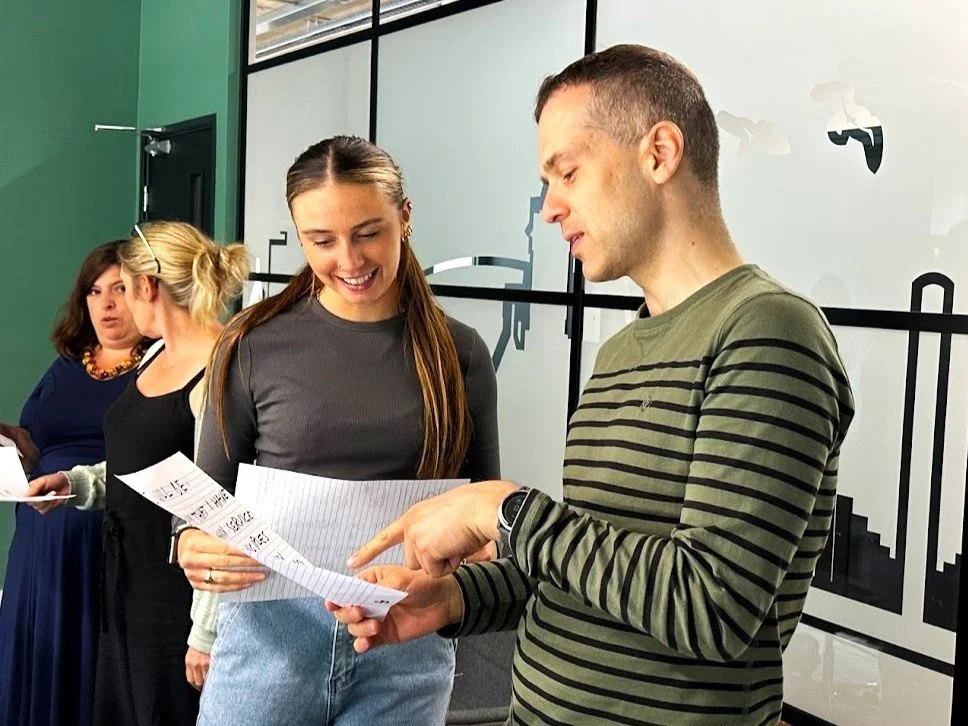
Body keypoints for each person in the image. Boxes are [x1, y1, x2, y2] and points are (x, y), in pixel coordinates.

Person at [331, 45, 856, 726]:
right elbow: (590, 568)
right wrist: (454, 600)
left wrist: (504, 511)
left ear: (660, 152)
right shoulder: (626, 348)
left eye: (568, 172)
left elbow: (712, 609)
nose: (550, 208)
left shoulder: (767, 331)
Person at [172, 135, 500, 725]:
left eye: (368, 232)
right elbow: (205, 499)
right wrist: (190, 542)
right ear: (300, 236)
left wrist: (480, 550)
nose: (348, 260)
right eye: (321, 241)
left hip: (407, 640)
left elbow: (482, 509)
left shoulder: (461, 354)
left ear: (405, 217)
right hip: (270, 638)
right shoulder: (250, 344)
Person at [26, 221, 248, 725]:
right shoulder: (153, 355)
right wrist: (79, 483)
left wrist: (206, 633)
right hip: (123, 581)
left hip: (179, 599)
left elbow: (224, 508)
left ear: (148, 287)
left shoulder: (222, 368)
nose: (116, 303)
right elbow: (142, 461)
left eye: (123, 288)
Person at [0, 241, 150, 726]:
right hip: (37, 558)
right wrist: (14, 445)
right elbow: (37, 445)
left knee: (90, 684)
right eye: (94, 291)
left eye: (120, 289)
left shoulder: (163, 369)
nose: (105, 303)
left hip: (104, 554)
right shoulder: (66, 365)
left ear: (148, 292)